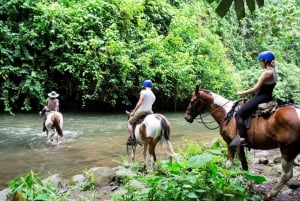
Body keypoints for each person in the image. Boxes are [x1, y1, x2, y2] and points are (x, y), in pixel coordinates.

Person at [231, 51, 277, 147]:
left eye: (260, 61)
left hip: (260, 98)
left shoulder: (266, 73)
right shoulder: (274, 70)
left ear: (265, 61)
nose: (260, 63)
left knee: (239, 114)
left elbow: (256, 88)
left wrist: (242, 93)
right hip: (267, 97)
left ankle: (242, 138)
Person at [126, 80, 156, 145]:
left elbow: (140, 102)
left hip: (142, 112)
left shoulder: (143, 92)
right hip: (150, 112)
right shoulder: (153, 95)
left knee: (129, 123)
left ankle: (132, 139)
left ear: (144, 85)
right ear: (151, 86)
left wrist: (133, 111)